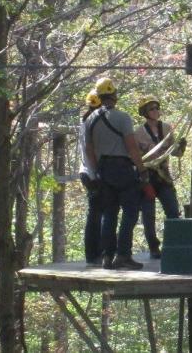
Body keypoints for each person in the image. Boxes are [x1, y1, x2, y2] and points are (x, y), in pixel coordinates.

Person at [85, 77, 151, 270]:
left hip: (103, 169)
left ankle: (107, 256)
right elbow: (131, 147)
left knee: (109, 213)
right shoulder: (122, 117)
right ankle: (123, 254)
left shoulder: (90, 119)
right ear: (114, 95)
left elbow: (89, 149)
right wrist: (142, 169)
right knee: (130, 212)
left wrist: (96, 171)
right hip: (122, 168)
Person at [135, 96, 186, 259]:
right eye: (151, 108)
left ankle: (173, 244)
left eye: (157, 108)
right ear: (145, 112)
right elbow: (136, 159)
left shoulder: (167, 128)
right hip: (148, 177)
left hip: (164, 177)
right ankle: (153, 247)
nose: (156, 111)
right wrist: (143, 181)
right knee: (148, 215)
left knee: (172, 211)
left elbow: (176, 153)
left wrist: (181, 146)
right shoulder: (138, 133)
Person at [79, 89, 103, 267]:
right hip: (92, 173)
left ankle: (94, 253)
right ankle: (94, 254)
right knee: (96, 215)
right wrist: (96, 175)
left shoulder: (86, 122)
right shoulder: (92, 123)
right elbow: (89, 152)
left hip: (88, 172)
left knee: (96, 214)